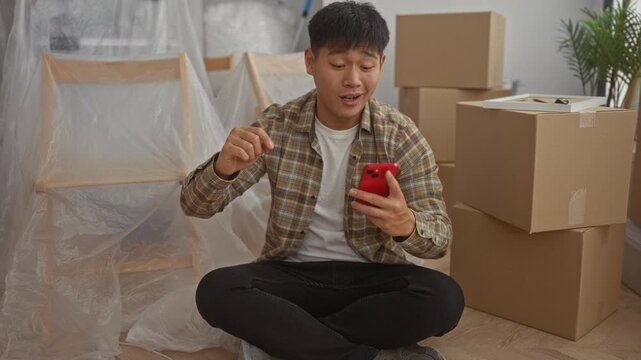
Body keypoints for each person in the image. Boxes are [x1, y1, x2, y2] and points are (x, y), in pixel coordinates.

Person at [180, 2, 464, 359]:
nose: (353, 80)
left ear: (382, 65)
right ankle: (367, 354)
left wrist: (407, 225)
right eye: (338, 64)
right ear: (311, 62)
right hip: (293, 275)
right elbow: (193, 205)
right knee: (216, 290)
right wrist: (223, 168)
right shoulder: (277, 126)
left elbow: (439, 240)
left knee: (445, 299)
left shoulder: (401, 136)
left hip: (371, 279)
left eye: (366, 65)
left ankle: (295, 337)